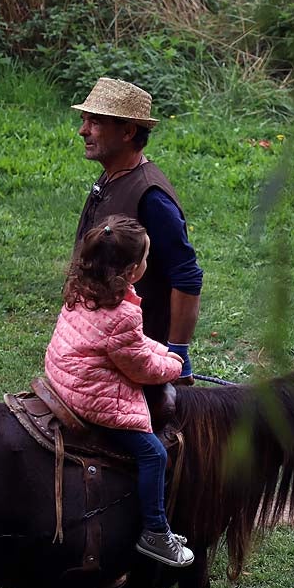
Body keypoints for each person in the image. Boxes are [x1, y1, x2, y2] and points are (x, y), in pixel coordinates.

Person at [45, 214, 195, 568]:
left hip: (65, 374)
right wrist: (175, 366)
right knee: (154, 454)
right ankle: (155, 532)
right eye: (145, 258)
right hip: (90, 393)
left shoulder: (89, 289)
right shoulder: (122, 314)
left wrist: (163, 351)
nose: (148, 263)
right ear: (131, 270)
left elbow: (134, 346)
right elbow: (140, 367)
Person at [71, 77, 203, 383]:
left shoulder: (151, 197)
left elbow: (187, 276)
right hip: (101, 340)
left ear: (128, 131)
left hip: (133, 353)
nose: (83, 131)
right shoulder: (112, 176)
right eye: (84, 120)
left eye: (95, 122)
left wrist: (178, 352)